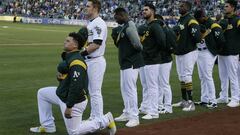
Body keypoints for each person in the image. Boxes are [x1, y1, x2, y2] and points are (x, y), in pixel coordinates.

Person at [30, 31, 116, 135]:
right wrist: (61, 78)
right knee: (42, 93)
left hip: (75, 101)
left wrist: (69, 106)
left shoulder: (77, 62)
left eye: (67, 41)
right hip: (63, 94)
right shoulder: (69, 57)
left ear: (75, 45)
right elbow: (68, 78)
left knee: (74, 132)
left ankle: (105, 120)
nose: (64, 42)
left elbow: (76, 86)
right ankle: (48, 126)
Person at [111, 7, 144, 127]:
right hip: (125, 63)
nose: (115, 19)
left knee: (130, 90)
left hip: (131, 62)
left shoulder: (129, 26)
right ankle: (127, 112)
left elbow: (138, 45)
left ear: (122, 15)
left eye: (116, 16)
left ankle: (134, 117)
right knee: (125, 89)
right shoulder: (125, 26)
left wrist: (131, 54)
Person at [80, 0, 107, 119]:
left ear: (95, 8)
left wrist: (81, 54)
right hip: (89, 60)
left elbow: (96, 44)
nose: (85, 8)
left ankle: (98, 118)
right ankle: (94, 116)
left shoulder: (98, 23)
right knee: (91, 91)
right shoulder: (91, 23)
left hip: (95, 60)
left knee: (95, 92)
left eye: (87, 6)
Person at [172, 1, 201, 111]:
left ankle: (191, 103)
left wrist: (188, 42)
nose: (179, 7)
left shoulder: (191, 20)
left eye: (182, 6)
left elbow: (197, 37)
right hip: (180, 51)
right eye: (179, 6)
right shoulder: (182, 19)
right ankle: (184, 100)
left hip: (189, 51)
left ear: (188, 8)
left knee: (187, 75)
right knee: (181, 76)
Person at [193, 9, 225, 109]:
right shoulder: (200, 23)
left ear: (203, 16)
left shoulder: (212, 24)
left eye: (199, 18)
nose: (198, 20)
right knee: (202, 76)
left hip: (208, 52)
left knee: (207, 76)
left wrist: (216, 50)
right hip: (199, 51)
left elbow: (221, 40)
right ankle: (204, 99)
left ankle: (213, 101)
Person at [140, 3, 166, 119]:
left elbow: (162, 42)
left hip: (152, 60)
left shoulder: (155, 26)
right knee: (146, 86)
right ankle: (146, 107)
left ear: (153, 11)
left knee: (152, 86)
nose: (144, 11)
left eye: (146, 10)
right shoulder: (149, 26)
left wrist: (153, 53)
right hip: (145, 60)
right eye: (143, 10)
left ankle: (154, 111)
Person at [217, 0, 240, 107]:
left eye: (227, 6)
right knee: (223, 76)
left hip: (232, 53)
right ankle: (224, 96)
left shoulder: (237, 20)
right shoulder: (223, 20)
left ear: (233, 8)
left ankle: (235, 98)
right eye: (224, 6)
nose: (224, 8)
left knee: (233, 76)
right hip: (222, 52)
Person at [154, 14, 174, 114]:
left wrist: (166, 51)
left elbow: (172, 46)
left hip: (165, 60)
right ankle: (160, 105)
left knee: (165, 84)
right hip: (159, 60)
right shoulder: (161, 30)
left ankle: (168, 106)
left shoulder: (167, 31)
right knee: (159, 84)